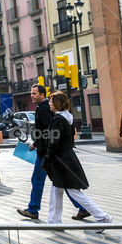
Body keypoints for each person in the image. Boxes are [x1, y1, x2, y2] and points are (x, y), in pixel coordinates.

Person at [17, 83, 89, 221]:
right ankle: (82, 208)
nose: (32, 96)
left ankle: (33, 210)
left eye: (34, 93)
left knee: (39, 180)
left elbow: (49, 131)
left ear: (42, 95)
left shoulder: (43, 109)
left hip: (46, 153)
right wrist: (36, 143)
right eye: (31, 93)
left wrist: (40, 144)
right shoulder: (44, 108)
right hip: (47, 150)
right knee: (61, 182)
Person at [45, 91, 112, 227]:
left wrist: (49, 155)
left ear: (57, 104)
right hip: (66, 158)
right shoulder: (68, 118)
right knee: (57, 190)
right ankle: (53, 221)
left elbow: (54, 141)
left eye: (51, 101)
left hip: (61, 161)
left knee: (74, 192)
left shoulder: (58, 119)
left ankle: (102, 217)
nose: (50, 104)